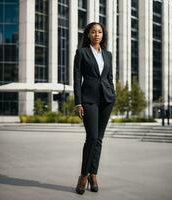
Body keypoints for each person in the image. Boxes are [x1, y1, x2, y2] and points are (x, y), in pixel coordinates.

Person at [73, 22, 115, 195]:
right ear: (88, 34)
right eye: (93, 32)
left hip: (106, 100)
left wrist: (112, 93)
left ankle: (93, 175)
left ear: (102, 35)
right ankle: (83, 175)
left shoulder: (108, 55)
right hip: (89, 99)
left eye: (99, 32)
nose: (97, 34)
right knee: (91, 137)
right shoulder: (81, 53)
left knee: (99, 139)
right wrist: (78, 102)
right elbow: (76, 79)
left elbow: (110, 77)